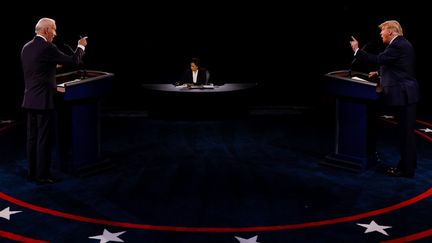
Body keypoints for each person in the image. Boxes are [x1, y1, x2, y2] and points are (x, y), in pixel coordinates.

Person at [21, 17, 88, 184]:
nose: (55, 34)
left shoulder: (26, 47)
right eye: (54, 30)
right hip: (43, 100)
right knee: (43, 138)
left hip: (29, 99)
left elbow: (36, 67)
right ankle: (42, 176)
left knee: (32, 138)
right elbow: (74, 61)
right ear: (45, 30)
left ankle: (32, 172)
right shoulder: (47, 47)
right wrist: (81, 46)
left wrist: (51, 65)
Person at [350, 20, 419, 178]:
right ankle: (408, 165)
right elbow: (398, 67)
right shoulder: (401, 44)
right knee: (406, 134)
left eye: (382, 31)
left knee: (406, 134)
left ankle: (406, 170)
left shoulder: (398, 45)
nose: (381, 34)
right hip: (405, 94)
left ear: (391, 31)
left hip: (404, 95)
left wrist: (357, 50)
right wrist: (379, 73)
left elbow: (379, 59)